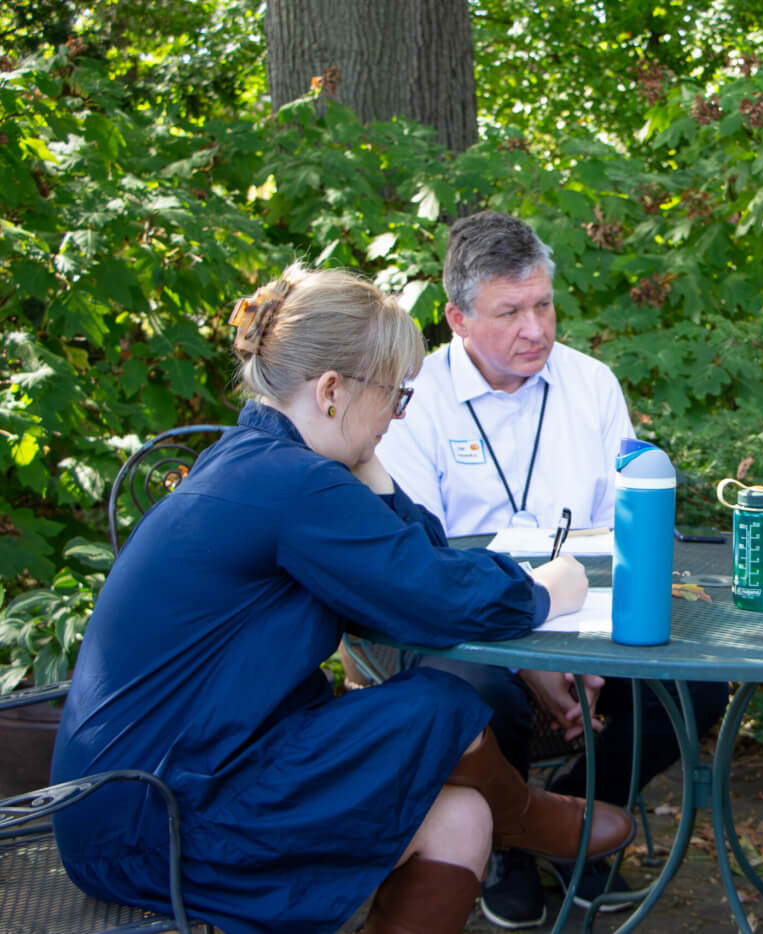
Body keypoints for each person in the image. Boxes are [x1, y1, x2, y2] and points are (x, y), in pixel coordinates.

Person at [50, 265, 635, 934]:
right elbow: (435, 597)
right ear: (331, 390)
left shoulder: (259, 462)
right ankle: (525, 818)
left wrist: (371, 466)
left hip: (161, 790)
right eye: (394, 395)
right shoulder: (293, 486)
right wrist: (543, 592)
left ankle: (509, 818)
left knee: (460, 818)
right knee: (437, 702)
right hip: (160, 816)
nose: (398, 414)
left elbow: (418, 560)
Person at [376, 210, 729, 930]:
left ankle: (569, 824)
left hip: (583, 612)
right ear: (457, 319)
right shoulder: (416, 400)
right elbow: (428, 562)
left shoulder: (591, 385)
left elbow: (619, 533)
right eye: (509, 312)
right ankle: (511, 843)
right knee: (476, 692)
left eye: (543, 304)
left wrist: (586, 650)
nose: (535, 329)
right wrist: (532, 658)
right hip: (462, 625)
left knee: (693, 688)